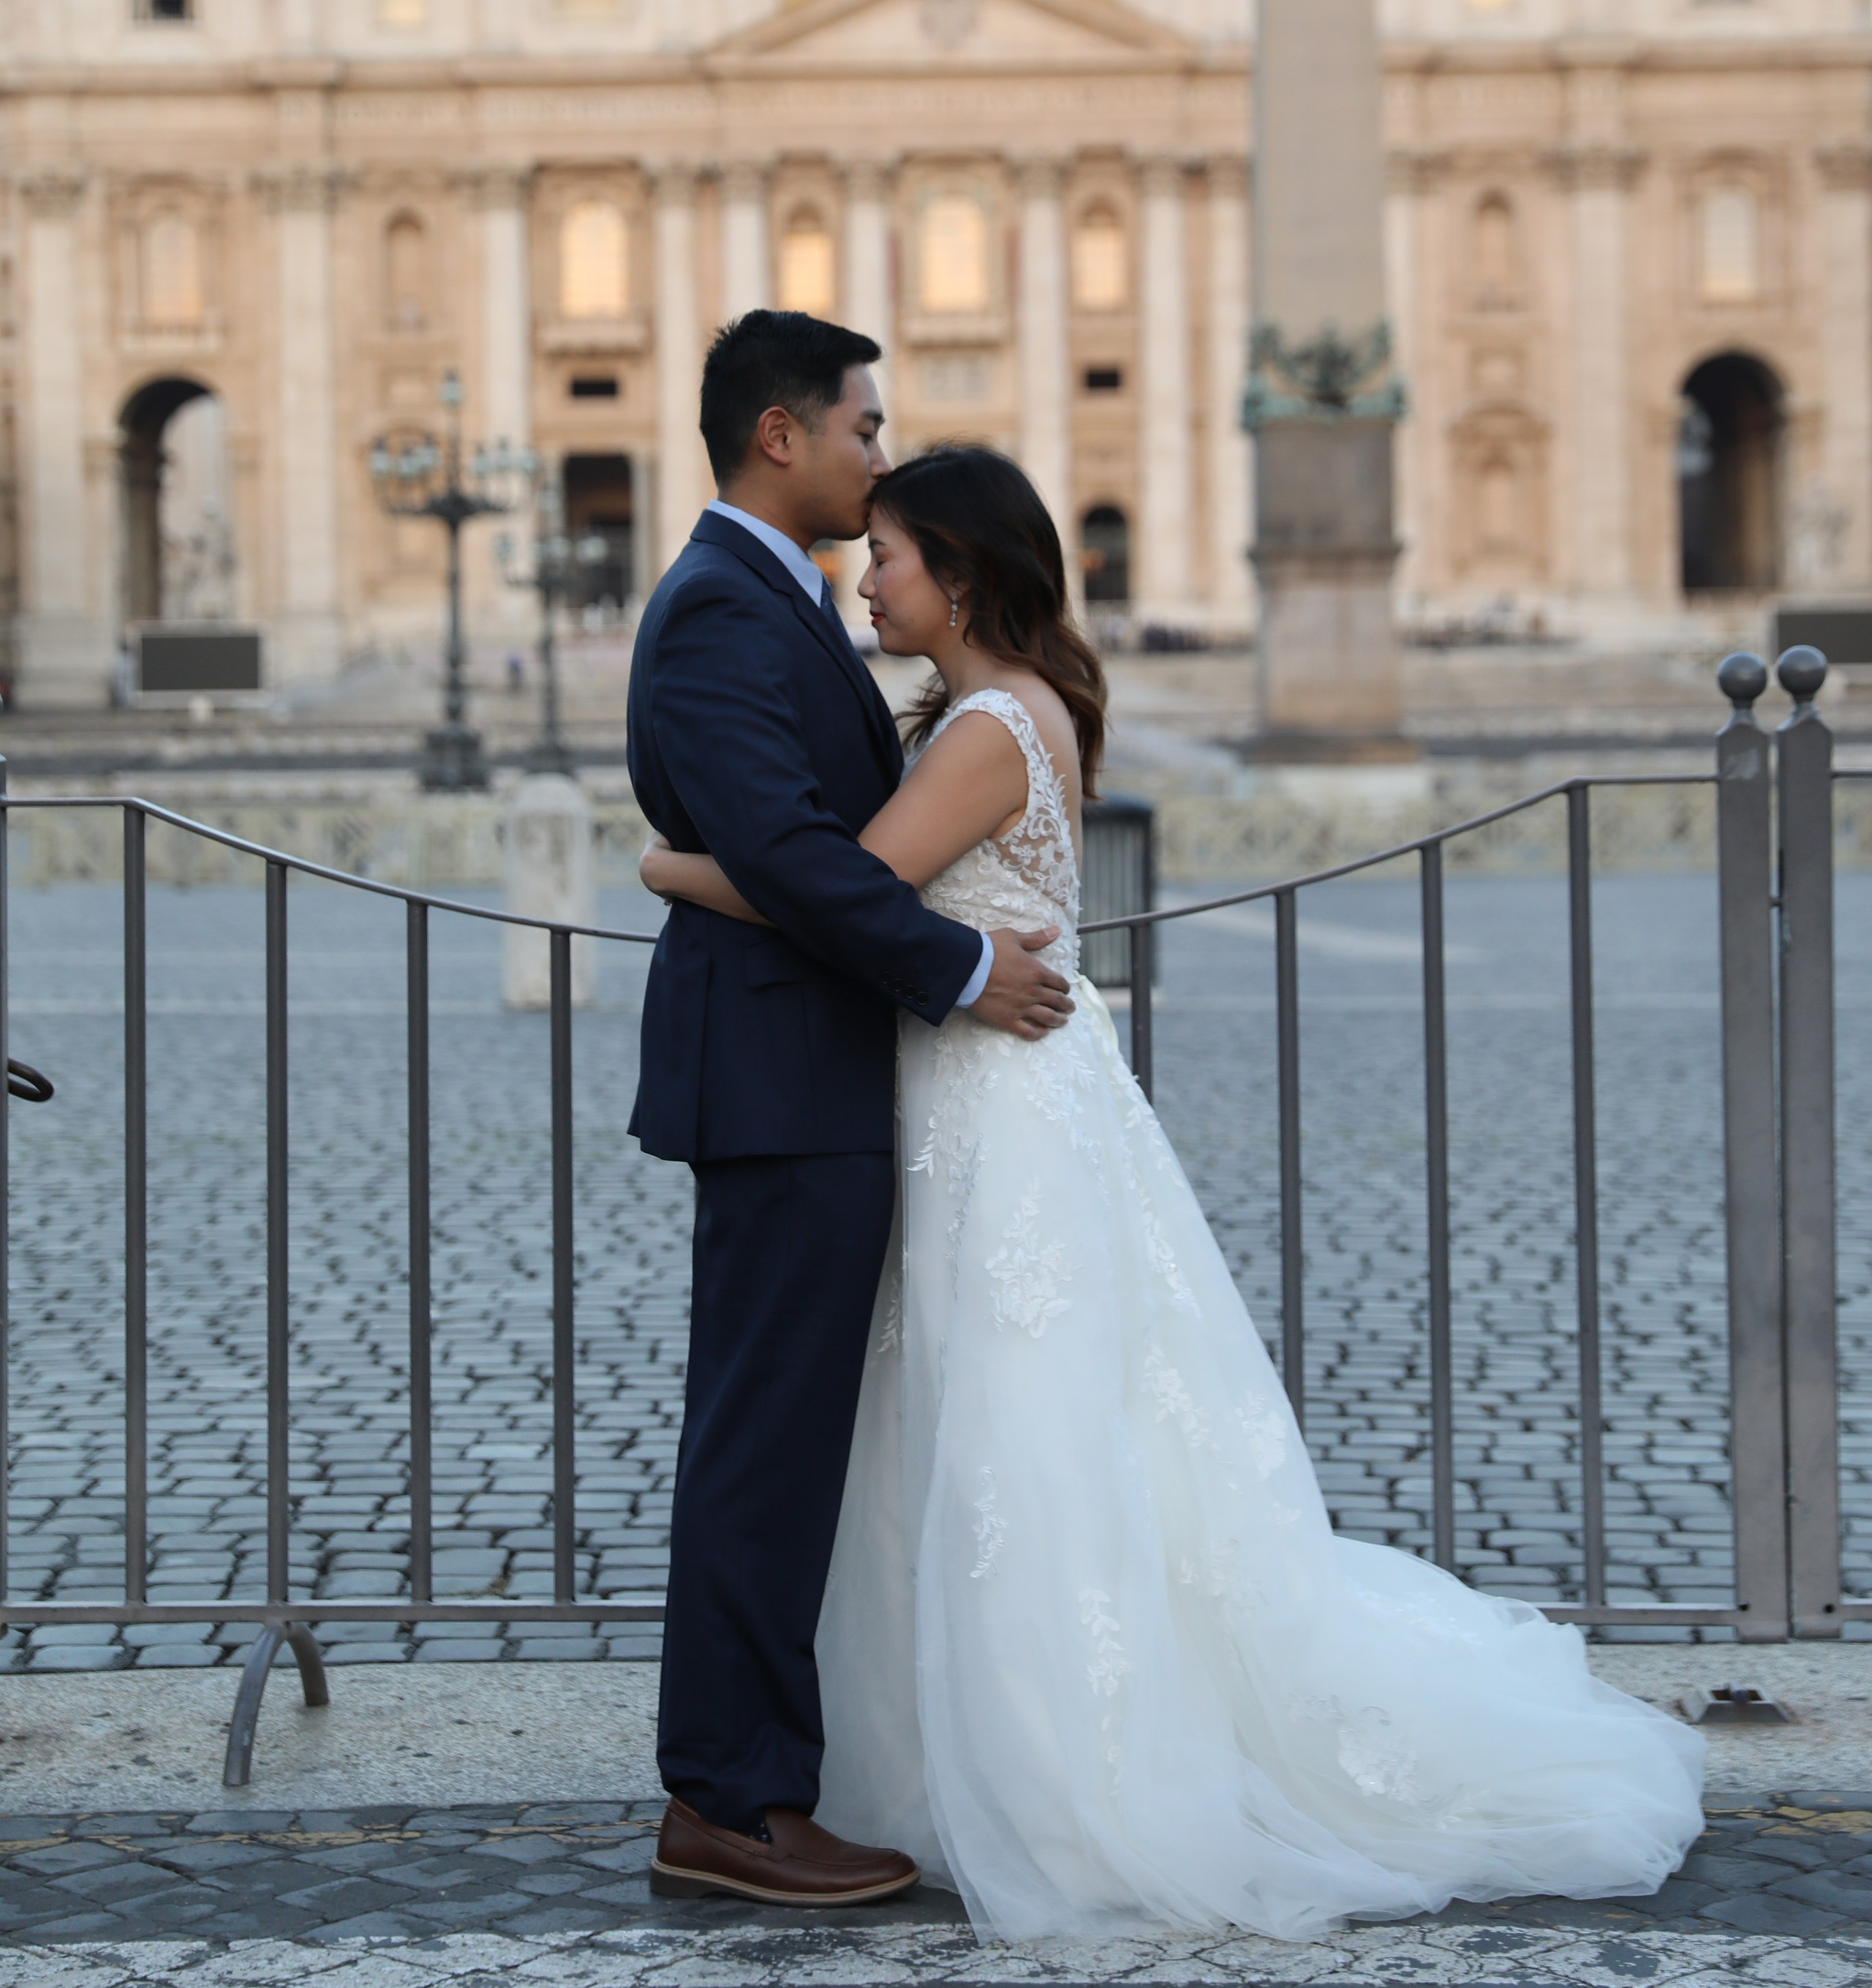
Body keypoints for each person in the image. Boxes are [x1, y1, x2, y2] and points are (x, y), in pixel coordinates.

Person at [641, 442, 1705, 1943]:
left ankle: (1054, 1769)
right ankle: (983, 1748)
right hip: (1004, 1104)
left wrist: (673, 868)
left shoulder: (982, 730)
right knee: (1018, 1431)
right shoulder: (1007, 709)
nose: (863, 579)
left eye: (887, 553)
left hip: (991, 1114)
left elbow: (844, 891)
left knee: (1015, 1434)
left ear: (957, 572)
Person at [625, 315, 1074, 1910]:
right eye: (863, 431)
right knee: (763, 1446)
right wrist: (958, 968)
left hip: (810, 1071)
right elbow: (811, 861)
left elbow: (799, 850)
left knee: (791, 1440)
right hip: (781, 1082)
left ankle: (758, 1779)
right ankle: (731, 1799)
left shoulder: (769, 603)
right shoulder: (721, 619)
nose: (880, 457)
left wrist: (676, 873)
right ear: (779, 436)